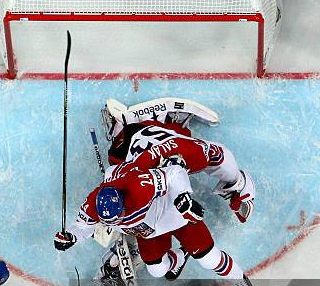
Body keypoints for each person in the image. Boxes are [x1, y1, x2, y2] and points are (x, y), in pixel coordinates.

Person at [54, 161, 257, 286]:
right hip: (149, 232)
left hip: (176, 216)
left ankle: (240, 279)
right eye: (110, 221)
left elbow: (175, 173)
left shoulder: (139, 186)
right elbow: (82, 225)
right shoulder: (93, 204)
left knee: (209, 259)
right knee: (158, 270)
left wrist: (182, 198)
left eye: (120, 215)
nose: (117, 222)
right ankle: (182, 255)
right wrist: (71, 236)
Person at [103, 96, 255, 224]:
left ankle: (130, 124)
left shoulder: (192, 155)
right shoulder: (193, 155)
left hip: (131, 145)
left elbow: (219, 155)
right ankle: (168, 120)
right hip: (131, 144)